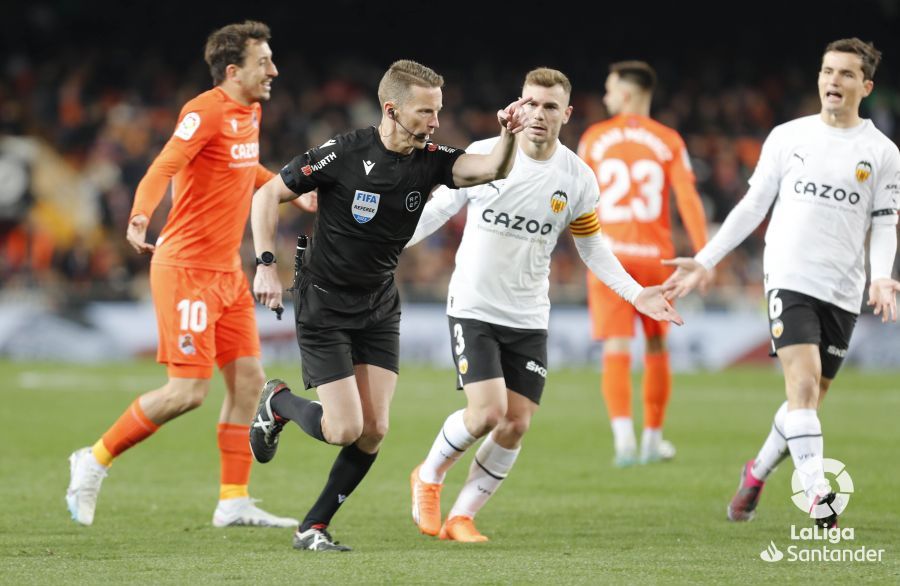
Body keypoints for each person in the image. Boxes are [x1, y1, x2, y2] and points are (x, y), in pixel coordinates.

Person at [248, 59, 533, 551]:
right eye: (426, 111)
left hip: (378, 302)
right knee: (345, 428)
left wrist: (507, 135)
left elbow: (492, 168)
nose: (436, 122)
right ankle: (278, 402)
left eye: (438, 111)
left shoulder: (432, 159)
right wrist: (266, 265)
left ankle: (312, 526)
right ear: (392, 109)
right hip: (324, 302)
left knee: (375, 430)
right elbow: (268, 195)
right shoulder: (343, 152)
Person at [406, 68, 683, 542]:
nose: (538, 114)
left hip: (529, 314)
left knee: (516, 423)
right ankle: (428, 476)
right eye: (531, 103)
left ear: (566, 114)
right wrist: (384, 246)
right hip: (474, 305)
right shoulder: (483, 156)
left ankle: (461, 517)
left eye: (550, 106)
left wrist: (637, 293)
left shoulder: (578, 178)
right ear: (518, 106)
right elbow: (437, 211)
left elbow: (592, 248)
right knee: (487, 413)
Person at [66, 21, 310, 528]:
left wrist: (287, 190)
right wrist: (140, 215)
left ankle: (233, 501)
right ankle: (93, 460)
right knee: (187, 393)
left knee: (249, 382)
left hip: (227, 271)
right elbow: (164, 165)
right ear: (233, 71)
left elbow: (244, 167)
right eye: (264, 62)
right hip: (186, 270)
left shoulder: (251, 111)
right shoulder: (204, 111)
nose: (274, 71)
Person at [663, 38, 900, 528]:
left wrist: (881, 276)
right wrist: (707, 260)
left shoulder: (882, 152)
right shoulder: (788, 136)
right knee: (804, 382)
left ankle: (756, 473)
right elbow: (753, 206)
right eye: (827, 71)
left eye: (846, 74)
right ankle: (818, 495)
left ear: (865, 86)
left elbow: (883, 222)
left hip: (843, 288)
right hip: (790, 275)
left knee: (806, 401)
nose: (833, 80)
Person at [577, 61, 709, 467]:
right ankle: (652, 439)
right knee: (656, 345)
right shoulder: (668, 140)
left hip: (608, 258)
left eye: (609, 89)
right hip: (657, 259)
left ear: (626, 94)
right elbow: (687, 198)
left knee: (616, 346)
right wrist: (704, 255)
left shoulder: (594, 137)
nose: (605, 97)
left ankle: (624, 443)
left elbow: (575, 194)